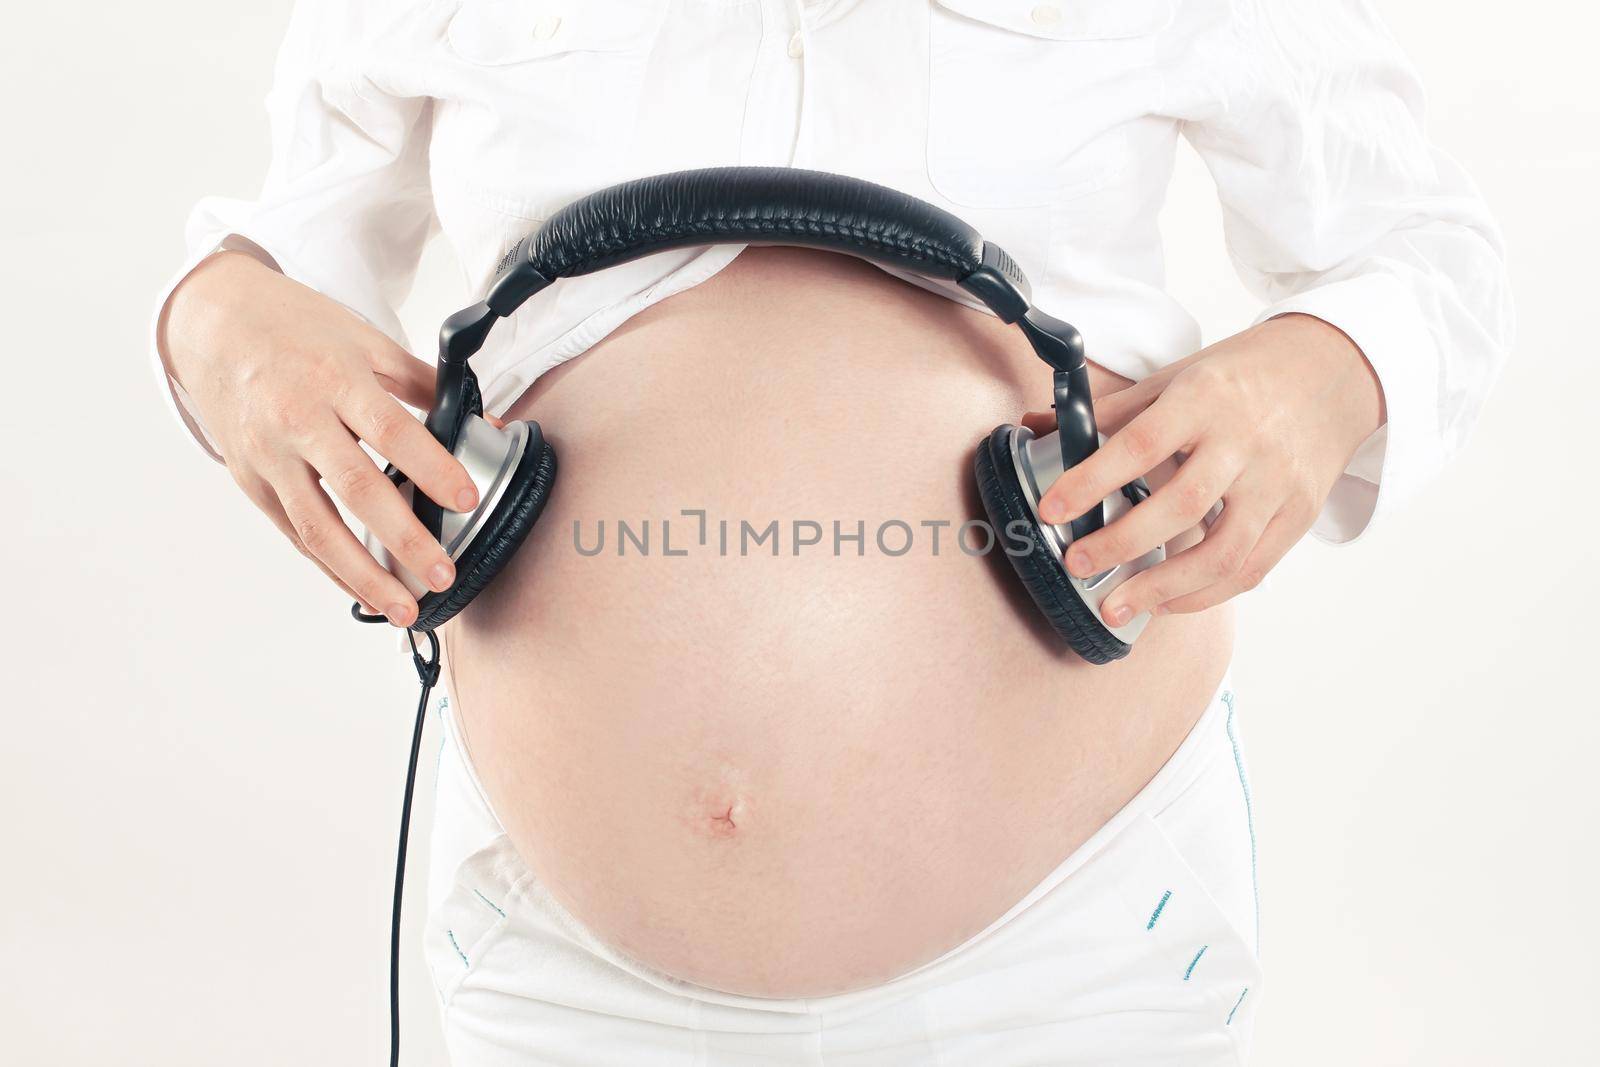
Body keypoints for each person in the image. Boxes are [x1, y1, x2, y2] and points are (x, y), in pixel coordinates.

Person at [153, 1, 1512, 1063]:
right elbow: (288, 255)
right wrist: (214, 327)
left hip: (1079, 949)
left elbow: (1420, 252)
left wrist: (1327, 367)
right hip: (561, 971)